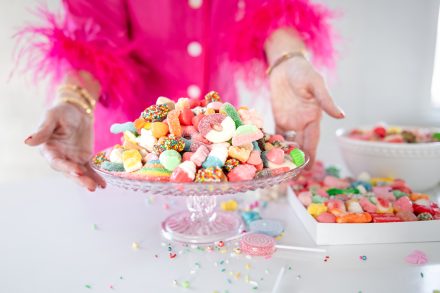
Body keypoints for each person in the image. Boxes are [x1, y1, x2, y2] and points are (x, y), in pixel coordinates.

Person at [20, 0, 344, 191]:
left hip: (221, 149)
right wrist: (74, 100)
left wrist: (289, 59)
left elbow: (271, 8)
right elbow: (93, 34)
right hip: (134, 156)